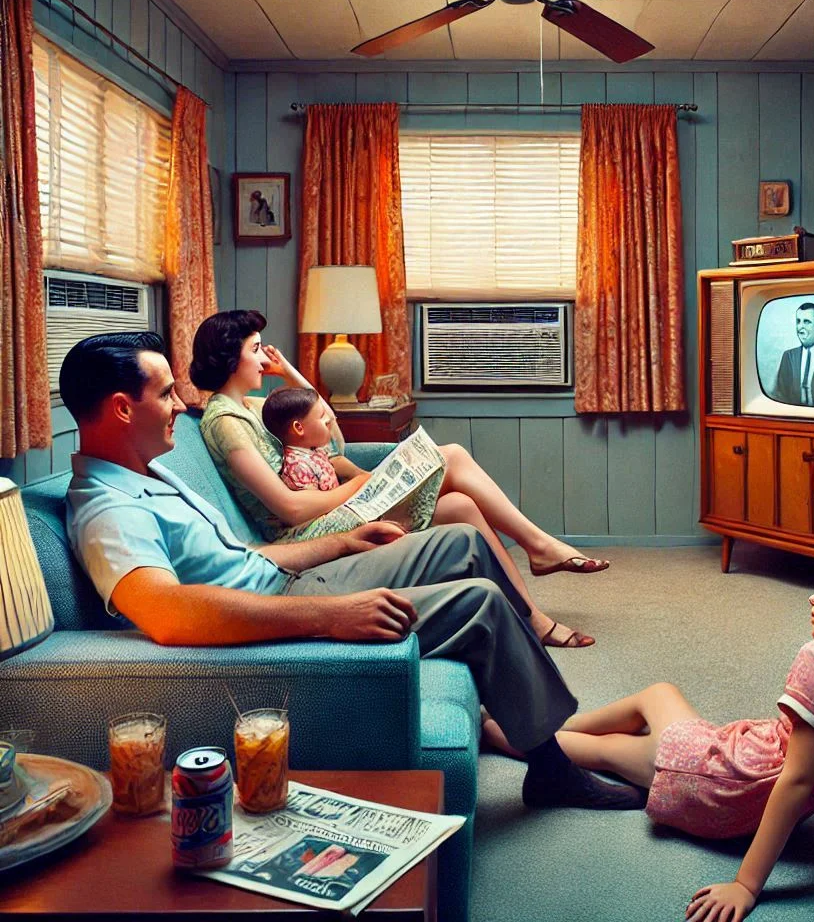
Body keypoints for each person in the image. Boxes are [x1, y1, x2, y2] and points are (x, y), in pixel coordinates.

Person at [59, 331, 645, 813]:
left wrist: (340, 544)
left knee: (462, 539)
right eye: (164, 395)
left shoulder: (150, 473)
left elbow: (244, 561)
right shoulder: (108, 509)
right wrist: (331, 615)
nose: (180, 406)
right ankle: (551, 769)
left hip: (286, 584)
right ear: (121, 407)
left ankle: (517, 693)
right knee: (480, 601)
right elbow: (169, 614)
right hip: (287, 618)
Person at [482, 542, 814, 919]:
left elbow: (797, 781)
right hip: (740, 768)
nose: (813, 596)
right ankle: (549, 718)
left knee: (592, 750)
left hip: (717, 785)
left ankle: (501, 729)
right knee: (658, 693)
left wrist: (746, 884)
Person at [191, 310, 605, 649]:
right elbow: (290, 507)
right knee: (454, 457)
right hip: (303, 535)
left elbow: (329, 429)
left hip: (327, 508)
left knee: (459, 507)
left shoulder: (248, 405)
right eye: (256, 350)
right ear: (231, 358)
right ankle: (539, 547)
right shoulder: (225, 421)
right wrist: (359, 486)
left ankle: (531, 615)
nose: (265, 359)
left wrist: (291, 375)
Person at [262, 386, 357, 494]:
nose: (329, 419)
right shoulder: (297, 467)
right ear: (298, 428)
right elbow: (317, 506)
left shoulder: (315, 448)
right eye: (322, 416)